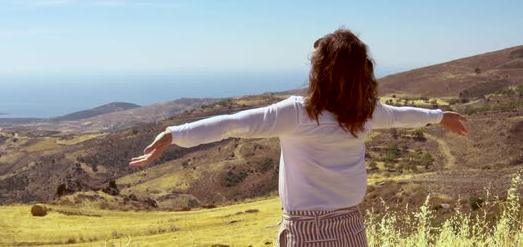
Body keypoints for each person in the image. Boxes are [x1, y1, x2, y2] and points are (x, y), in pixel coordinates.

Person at [129, 29, 467, 246]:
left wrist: (176, 133)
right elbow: (403, 116)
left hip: (311, 232)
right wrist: (440, 117)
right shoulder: (366, 111)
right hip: (351, 228)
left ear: (321, 72)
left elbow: (233, 124)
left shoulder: (299, 113)